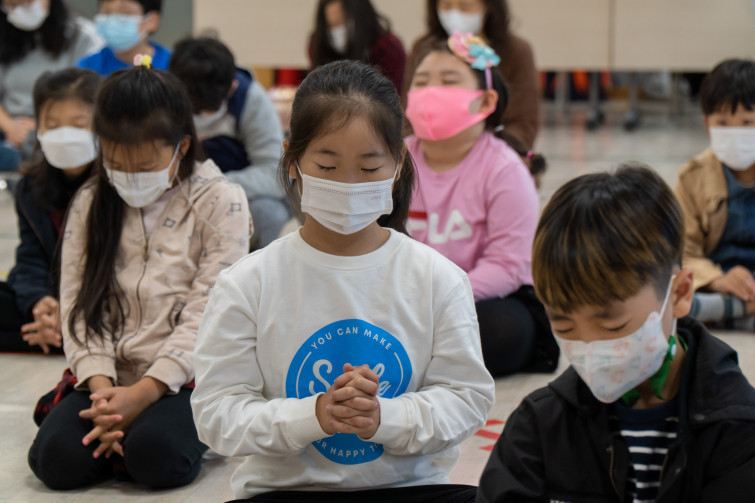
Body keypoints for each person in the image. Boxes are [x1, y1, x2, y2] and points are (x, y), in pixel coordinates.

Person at [191, 60, 494, 502]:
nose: (349, 184)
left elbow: (466, 399)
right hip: (287, 493)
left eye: (369, 169)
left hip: (408, 489)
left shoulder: (437, 278)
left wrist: (383, 417)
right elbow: (217, 416)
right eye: (327, 167)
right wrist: (314, 415)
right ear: (292, 159)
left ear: (399, 163)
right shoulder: (248, 282)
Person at [27, 63, 251, 490]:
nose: (129, 176)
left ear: (182, 147)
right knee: (56, 461)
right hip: (106, 375)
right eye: (115, 162)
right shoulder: (91, 199)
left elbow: (211, 312)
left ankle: (145, 432)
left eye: (145, 165)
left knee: (156, 457)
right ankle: (116, 429)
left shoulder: (223, 202)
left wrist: (146, 391)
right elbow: (76, 303)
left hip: (187, 376)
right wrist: (102, 393)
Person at [477, 165, 755, 502]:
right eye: (564, 326)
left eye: (613, 325)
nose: (589, 345)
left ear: (680, 293)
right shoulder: (539, 427)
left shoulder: (736, 427)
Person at [404, 33, 557, 376]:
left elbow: (506, 265)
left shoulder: (504, 169)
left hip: (484, 297)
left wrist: (441, 300)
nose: (431, 92)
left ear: (485, 102)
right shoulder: (395, 161)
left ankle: (419, 356)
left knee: (501, 330)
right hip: (406, 297)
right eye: (421, 82)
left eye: (449, 81)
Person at [0, 68, 101, 354]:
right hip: (53, 295)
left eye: (78, 125)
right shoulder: (30, 187)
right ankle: (56, 334)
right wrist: (39, 302)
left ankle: (56, 335)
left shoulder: (116, 185)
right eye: (53, 125)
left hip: (102, 302)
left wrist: (71, 309)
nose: (64, 135)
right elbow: (30, 259)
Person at [169, 37, 289, 248]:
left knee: (270, 214)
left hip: (234, 192)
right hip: (181, 192)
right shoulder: (168, 98)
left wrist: (213, 186)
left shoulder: (250, 99)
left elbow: (275, 174)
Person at [674, 59, 755, 330]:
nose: (736, 133)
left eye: (747, 122)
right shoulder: (693, 176)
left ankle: (723, 312)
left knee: (683, 310)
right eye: (723, 123)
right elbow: (682, 250)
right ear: (707, 125)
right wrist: (718, 280)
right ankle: (737, 311)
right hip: (713, 280)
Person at [407, 0, 539, 150]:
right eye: (446, 5)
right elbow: (406, 115)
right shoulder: (423, 48)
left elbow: (523, 123)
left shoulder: (516, 50)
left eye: (466, 6)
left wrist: (484, 152)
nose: (454, 14)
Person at [0, 0, 102, 171]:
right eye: (12, 5)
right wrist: (10, 126)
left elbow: (90, 92)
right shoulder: (4, 36)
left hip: (63, 124)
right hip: (12, 131)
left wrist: (47, 123)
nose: (19, 10)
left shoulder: (83, 36)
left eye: (26, 3)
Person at [309, 0, 406, 93]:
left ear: (362, 17)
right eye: (331, 26)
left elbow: (395, 95)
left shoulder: (388, 48)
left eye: (343, 23)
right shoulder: (318, 46)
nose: (338, 30)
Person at [77, 0, 169, 76]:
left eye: (125, 13)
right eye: (106, 12)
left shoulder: (171, 65)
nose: (113, 22)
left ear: (152, 21)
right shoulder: (88, 68)